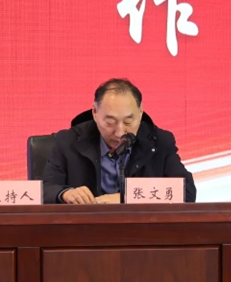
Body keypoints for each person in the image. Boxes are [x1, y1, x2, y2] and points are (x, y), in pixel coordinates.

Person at [42, 78, 196, 204]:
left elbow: (187, 192)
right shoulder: (68, 141)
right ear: (95, 113)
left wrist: (127, 198)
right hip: (84, 228)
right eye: (110, 123)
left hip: (140, 229)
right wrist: (65, 194)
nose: (120, 132)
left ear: (140, 113)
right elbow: (44, 190)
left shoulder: (159, 142)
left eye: (128, 122)